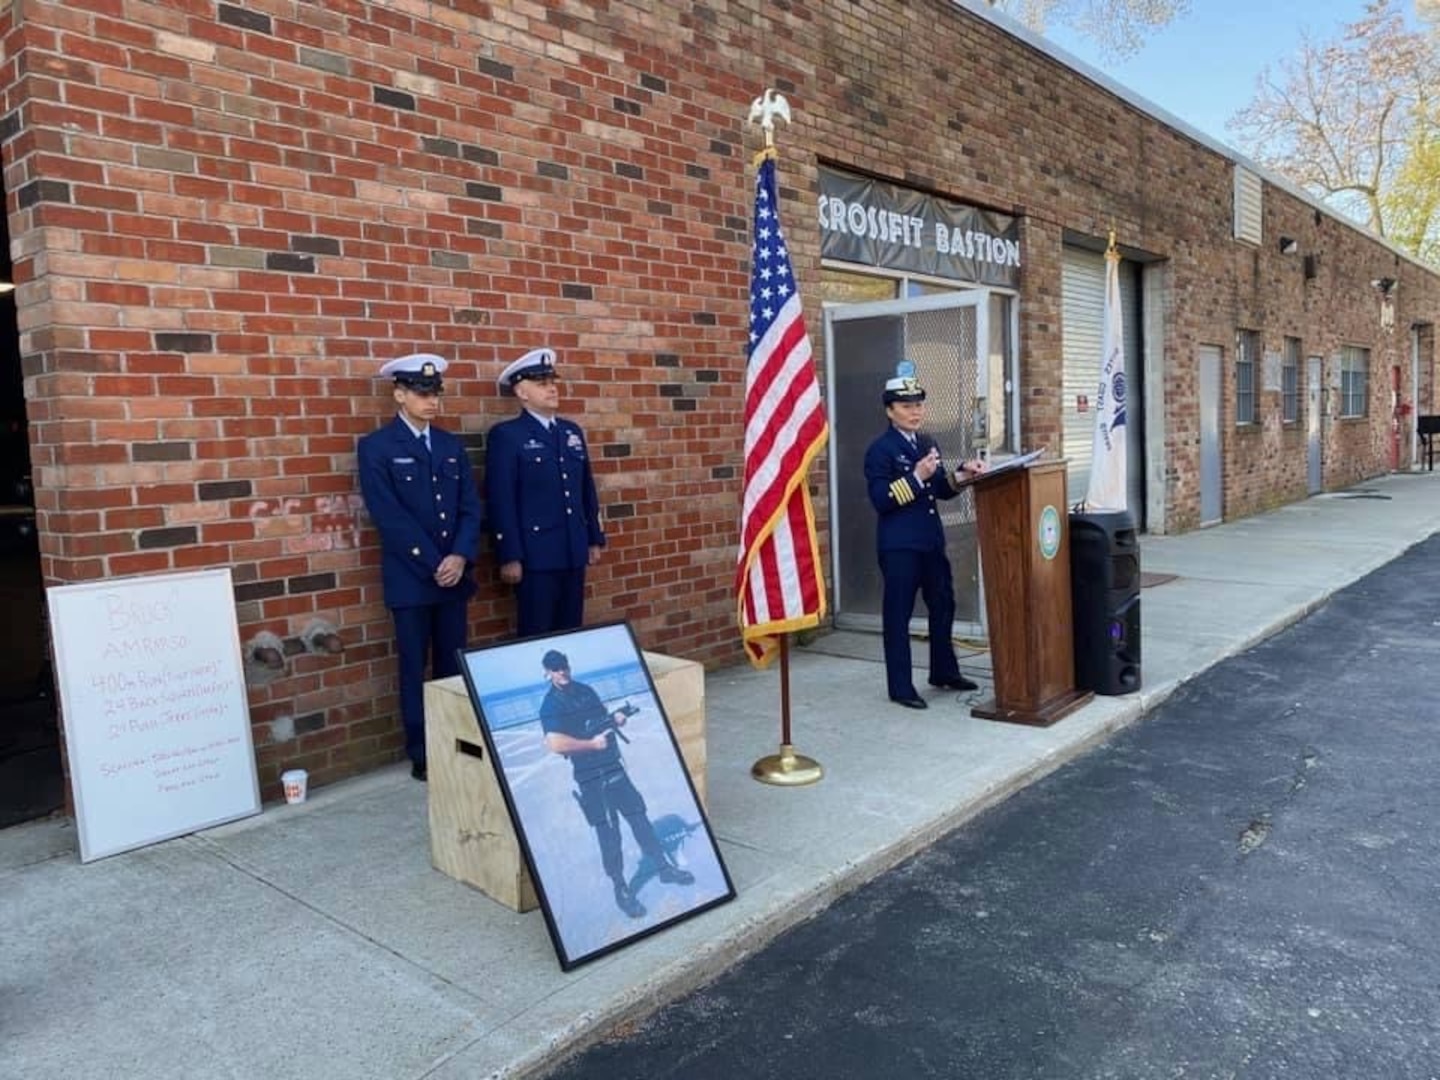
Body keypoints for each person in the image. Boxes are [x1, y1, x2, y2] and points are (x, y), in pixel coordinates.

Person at [357, 353, 482, 781]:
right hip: (412, 578)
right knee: (414, 666)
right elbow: (388, 515)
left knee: (453, 665)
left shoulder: (449, 445)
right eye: (422, 394)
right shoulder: (377, 447)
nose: (432, 402)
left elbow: (470, 506)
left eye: (435, 394)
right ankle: (423, 750)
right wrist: (434, 562)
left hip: (454, 575)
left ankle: (455, 740)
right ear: (400, 394)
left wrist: (461, 556)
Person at [863, 361, 988, 710]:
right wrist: (916, 477)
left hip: (931, 542)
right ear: (890, 410)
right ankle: (901, 686)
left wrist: (963, 475)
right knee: (898, 614)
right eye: (906, 406)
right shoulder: (880, 450)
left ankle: (943, 671)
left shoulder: (926, 441)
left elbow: (941, 489)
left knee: (943, 605)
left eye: (918, 404)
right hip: (900, 546)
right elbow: (882, 501)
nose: (915, 412)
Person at [538, 648, 693, 920]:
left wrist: (616, 718)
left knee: (640, 819)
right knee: (610, 835)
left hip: (614, 768)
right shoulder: (550, 705)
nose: (561, 671)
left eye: (563, 666)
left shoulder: (585, 691)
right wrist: (590, 744)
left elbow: (599, 719)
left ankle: (663, 867)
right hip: (591, 778)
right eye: (555, 668)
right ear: (547, 672)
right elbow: (554, 743)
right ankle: (621, 888)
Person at [484, 347, 605, 638]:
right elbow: (501, 499)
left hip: (572, 547)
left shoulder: (570, 431)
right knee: (536, 632)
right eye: (542, 384)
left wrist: (593, 538)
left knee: (571, 628)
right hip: (535, 553)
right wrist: (509, 554)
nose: (552, 389)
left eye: (553, 383)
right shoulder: (508, 436)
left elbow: (585, 488)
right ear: (522, 393)